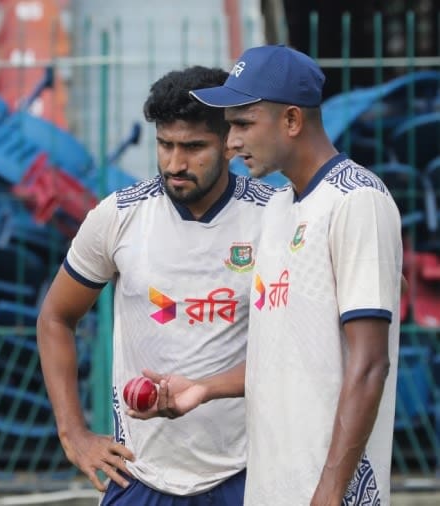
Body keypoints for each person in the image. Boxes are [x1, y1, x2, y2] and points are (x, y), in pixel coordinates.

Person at [146, 45, 402, 505]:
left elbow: (370, 365)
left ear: (291, 121)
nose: (231, 142)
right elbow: (284, 357)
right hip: (270, 487)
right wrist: (203, 389)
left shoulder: (357, 200)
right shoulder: (280, 208)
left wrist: (328, 492)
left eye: (243, 124)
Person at [36, 66, 276, 505]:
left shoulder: (274, 217)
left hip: (247, 473)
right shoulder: (119, 216)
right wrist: (73, 433)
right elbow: (56, 317)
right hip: (141, 476)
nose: (175, 163)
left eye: (193, 147)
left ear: (229, 144)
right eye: (165, 145)